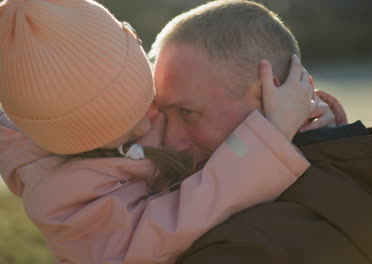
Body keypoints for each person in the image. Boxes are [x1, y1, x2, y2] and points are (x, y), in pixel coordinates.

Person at [0, 0, 335, 263]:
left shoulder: (117, 113)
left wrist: (309, 122)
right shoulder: (58, 189)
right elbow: (157, 233)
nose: (157, 129)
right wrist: (272, 134)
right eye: (164, 107)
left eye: (151, 102)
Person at [148, 1, 372, 263]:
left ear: (272, 95)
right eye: (162, 114)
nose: (169, 140)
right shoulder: (338, 175)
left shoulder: (255, 244)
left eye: (188, 113)